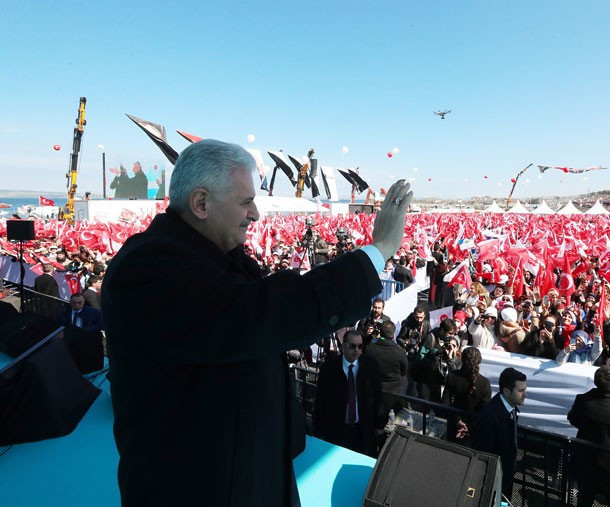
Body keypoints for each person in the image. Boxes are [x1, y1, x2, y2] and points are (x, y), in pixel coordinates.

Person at [102, 139, 412, 507]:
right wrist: (376, 253)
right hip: (194, 488)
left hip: (246, 475)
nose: (256, 215)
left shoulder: (215, 257)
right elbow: (263, 312)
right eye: (245, 201)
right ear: (201, 203)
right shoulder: (147, 270)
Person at [568, 366, 610, 507]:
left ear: (595, 382)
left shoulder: (582, 401)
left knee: (584, 498)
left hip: (585, 459)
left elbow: (573, 419)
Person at [312, 330, 385, 457]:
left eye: (360, 346)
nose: (357, 350)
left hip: (362, 430)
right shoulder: (328, 369)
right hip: (336, 430)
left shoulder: (370, 366)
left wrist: (379, 425)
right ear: (343, 346)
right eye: (352, 346)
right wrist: (318, 431)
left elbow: (377, 396)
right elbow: (321, 401)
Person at [472, 367, 527, 499]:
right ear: (507, 391)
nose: (525, 395)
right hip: (493, 483)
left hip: (503, 478)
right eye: (520, 391)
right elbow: (484, 453)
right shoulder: (490, 417)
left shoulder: (509, 408)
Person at [441, 346, 491, 446]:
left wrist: (458, 421)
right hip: (473, 431)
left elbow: (445, 402)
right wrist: (468, 426)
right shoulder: (485, 383)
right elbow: (485, 411)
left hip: (454, 427)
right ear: (479, 361)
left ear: (462, 359)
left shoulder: (452, 377)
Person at [364, 320, 409, 413]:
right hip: (395, 394)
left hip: (374, 392)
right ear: (393, 334)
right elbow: (404, 371)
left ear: (380, 332)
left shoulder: (369, 349)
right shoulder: (400, 352)